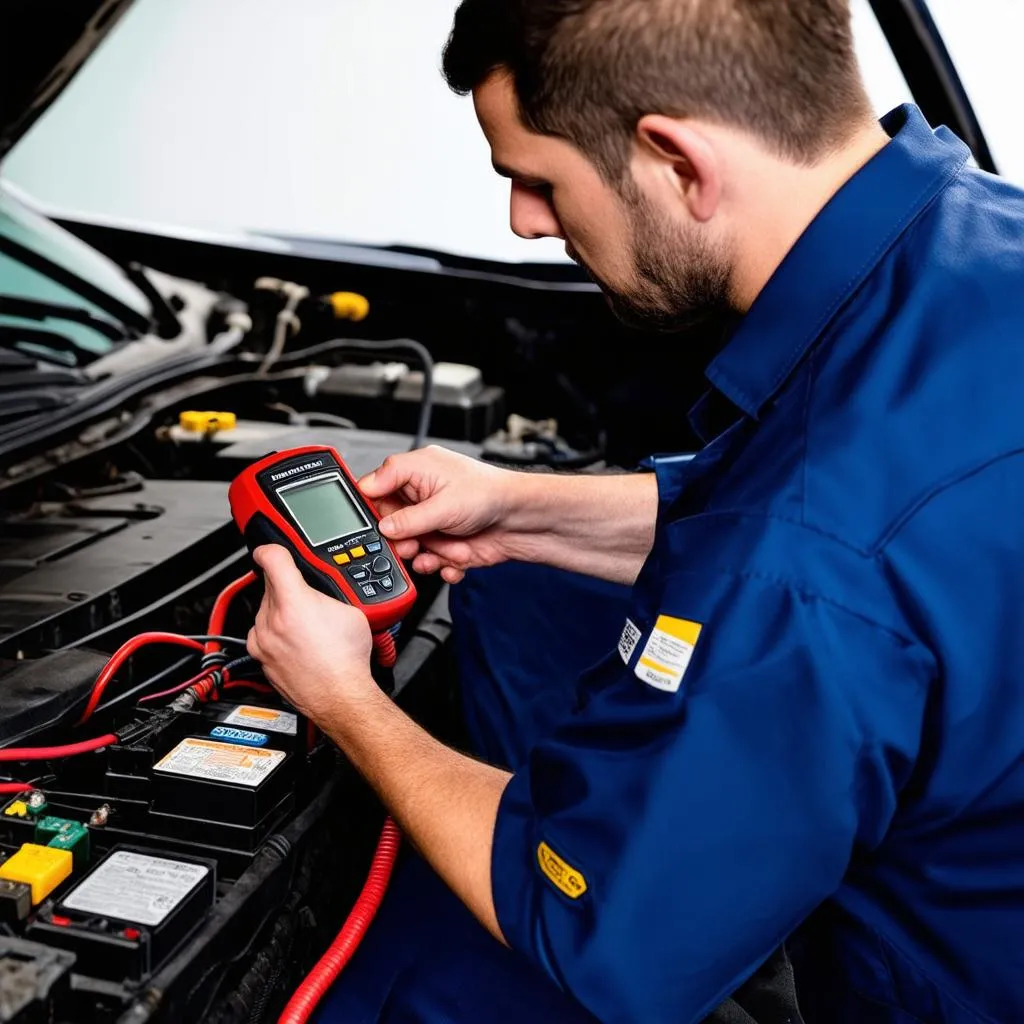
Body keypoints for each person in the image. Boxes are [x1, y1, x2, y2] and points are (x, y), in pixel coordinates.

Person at [245, 0, 1024, 1021]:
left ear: (676, 162)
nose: (524, 221)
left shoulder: (809, 541)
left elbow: (604, 926)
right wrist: (523, 509)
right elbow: (880, 545)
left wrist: (347, 700)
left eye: (539, 177)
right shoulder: (976, 241)